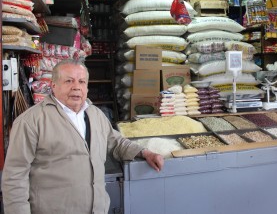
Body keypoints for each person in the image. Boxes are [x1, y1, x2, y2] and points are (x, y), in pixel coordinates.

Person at [2, 59, 164, 214]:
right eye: (69, 81)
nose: (76, 87)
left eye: (81, 82)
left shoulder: (95, 114)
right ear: (53, 85)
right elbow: (15, 177)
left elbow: (116, 142)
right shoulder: (31, 121)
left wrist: (145, 153)